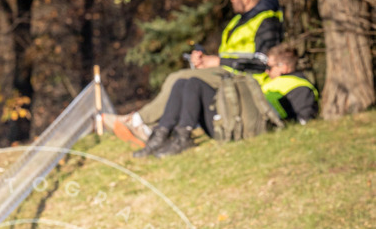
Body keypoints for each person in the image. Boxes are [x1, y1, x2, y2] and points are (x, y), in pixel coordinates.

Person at [105, 0, 285, 149]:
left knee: (179, 77)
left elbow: (261, 62)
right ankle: (149, 126)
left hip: (243, 79)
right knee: (182, 79)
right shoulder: (238, 21)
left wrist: (218, 62)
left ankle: (140, 123)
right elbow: (231, 54)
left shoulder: (267, 22)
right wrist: (204, 61)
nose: (231, 1)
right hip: (227, 73)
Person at [135, 42, 318, 158]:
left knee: (194, 84)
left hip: (242, 128)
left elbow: (303, 121)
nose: (266, 71)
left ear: (284, 67)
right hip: (238, 119)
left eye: (269, 67)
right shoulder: (272, 81)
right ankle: (161, 135)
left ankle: (184, 136)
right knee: (184, 83)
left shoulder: (299, 87)